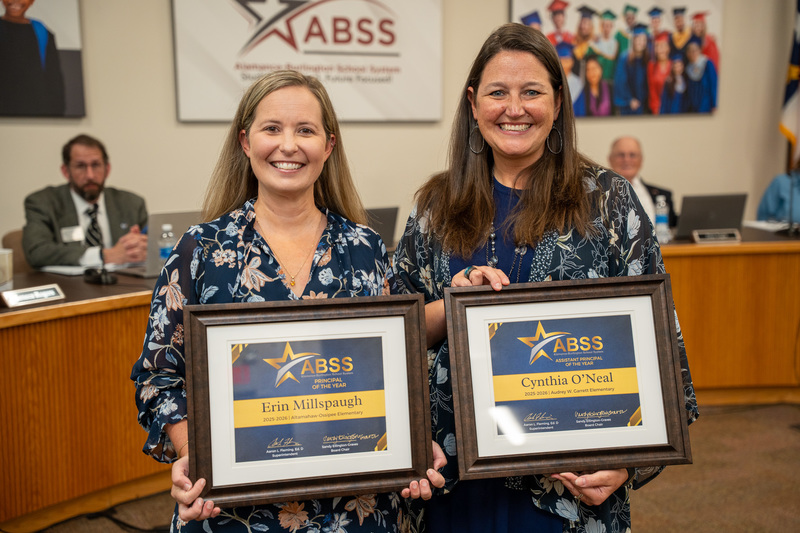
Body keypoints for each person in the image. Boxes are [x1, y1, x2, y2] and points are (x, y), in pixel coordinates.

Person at [393, 23, 698, 532]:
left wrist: (627, 463)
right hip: (455, 487)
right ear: (473, 103)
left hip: (568, 494)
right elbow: (396, 339)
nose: (514, 108)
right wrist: (452, 304)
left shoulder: (608, 200)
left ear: (557, 102)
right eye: (498, 93)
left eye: (532, 92)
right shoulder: (434, 207)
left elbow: (661, 344)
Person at [130, 70, 445, 532]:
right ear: (245, 141)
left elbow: (397, 362)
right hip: (236, 510)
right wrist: (191, 453)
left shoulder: (365, 248)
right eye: (272, 128)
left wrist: (414, 440)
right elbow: (158, 376)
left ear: (328, 146)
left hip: (354, 506)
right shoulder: (199, 252)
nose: (288, 145)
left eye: (305, 130)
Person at [22, 134, 148, 268]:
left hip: (122, 285)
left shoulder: (131, 203)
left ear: (107, 169)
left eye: (96, 165)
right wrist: (104, 255)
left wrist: (141, 246)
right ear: (66, 171)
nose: (90, 175)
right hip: (70, 286)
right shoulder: (43, 202)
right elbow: (37, 251)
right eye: (80, 166)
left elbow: (156, 247)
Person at [0, 0, 65, 116]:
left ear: (31, 2)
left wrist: (57, 114)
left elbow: (54, 76)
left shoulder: (42, 32)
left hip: (36, 109)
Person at [608, 136, 677, 227]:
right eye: (621, 155)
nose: (627, 160)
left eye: (632, 155)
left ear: (641, 160)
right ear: (610, 159)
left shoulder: (663, 195)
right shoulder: (598, 193)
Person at [613, 23, 649, 115]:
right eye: (638, 39)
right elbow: (620, 81)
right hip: (628, 105)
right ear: (633, 40)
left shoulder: (647, 59)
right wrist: (630, 100)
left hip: (644, 105)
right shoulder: (624, 58)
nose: (641, 42)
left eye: (643, 39)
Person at [685, 39, 717, 113]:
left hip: (706, 104)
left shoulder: (707, 63)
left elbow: (714, 85)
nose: (693, 53)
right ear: (687, 54)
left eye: (695, 50)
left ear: (699, 51)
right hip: (693, 108)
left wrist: (714, 105)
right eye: (690, 51)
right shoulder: (688, 69)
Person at [647, 33, 672, 115]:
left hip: (673, 108)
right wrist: (656, 108)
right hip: (657, 109)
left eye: (663, 46)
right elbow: (652, 90)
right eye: (658, 47)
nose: (661, 50)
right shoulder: (651, 66)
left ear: (668, 48)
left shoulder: (674, 66)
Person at [592, 9, 619, 81]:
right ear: (601, 26)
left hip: (610, 78)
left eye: (609, 26)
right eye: (605, 25)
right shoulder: (596, 41)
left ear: (612, 27)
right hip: (597, 78)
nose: (607, 28)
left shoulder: (615, 43)